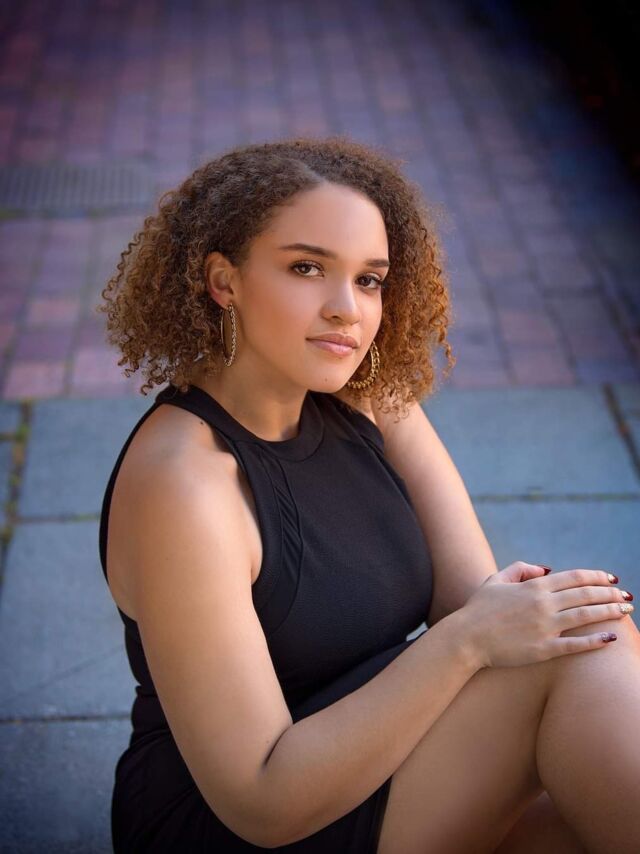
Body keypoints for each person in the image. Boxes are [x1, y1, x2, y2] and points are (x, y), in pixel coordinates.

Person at [97, 136, 640, 853]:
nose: (345, 309)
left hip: (379, 753)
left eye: (369, 280)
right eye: (306, 268)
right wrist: (468, 642)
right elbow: (261, 799)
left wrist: (497, 628)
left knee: (583, 660)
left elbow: (476, 603)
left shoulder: (371, 400)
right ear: (224, 281)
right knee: (577, 658)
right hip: (242, 818)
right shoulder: (184, 485)